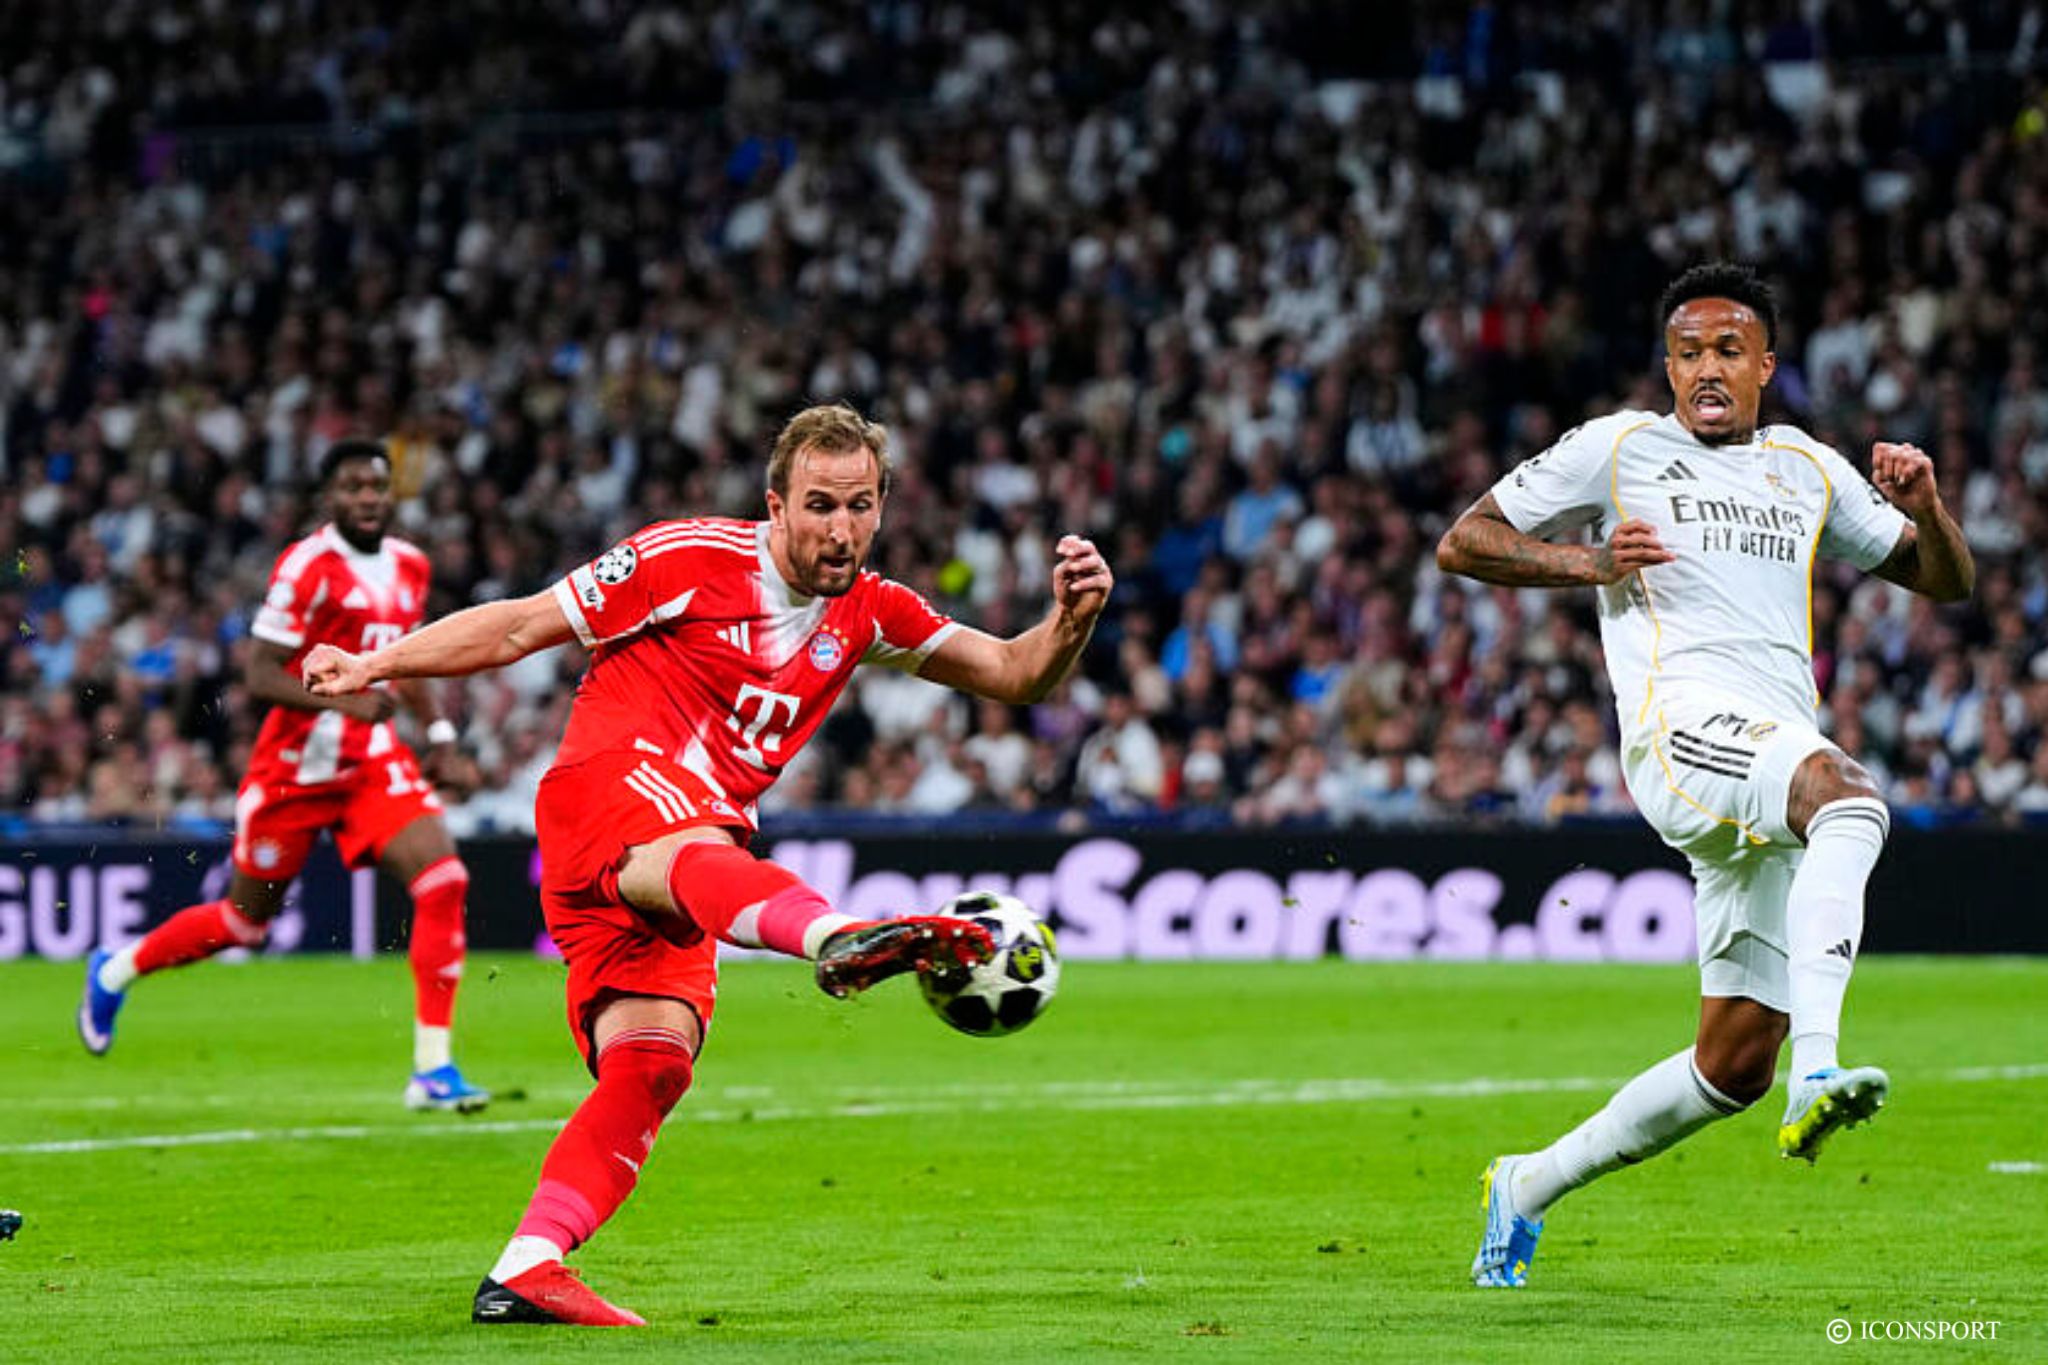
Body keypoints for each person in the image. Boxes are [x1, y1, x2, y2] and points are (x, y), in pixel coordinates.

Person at [301, 403, 1112, 1327]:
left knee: (652, 1063)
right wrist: (375, 664)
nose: (840, 529)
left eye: (859, 506)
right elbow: (521, 627)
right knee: (699, 844)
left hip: (685, 869)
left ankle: (528, 1264)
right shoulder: (684, 557)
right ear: (776, 504)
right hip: (610, 792)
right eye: (819, 505)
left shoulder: (870, 609)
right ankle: (837, 935)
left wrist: (1071, 620)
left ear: (882, 506)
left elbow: (1012, 671)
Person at [1437, 262, 1972, 1288]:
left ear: (1766, 365)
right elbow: (1463, 543)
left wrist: (1929, 508)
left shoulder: (1805, 467)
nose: (1706, 370)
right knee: (1850, 800)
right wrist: (1590, 563)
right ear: (1668, 366)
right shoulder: (1618, 448)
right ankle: (1820, 1069)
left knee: (1729, 1066)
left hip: (1765, 752)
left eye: (1728, 350)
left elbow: (1945, 581)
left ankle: (1525, 1184)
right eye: (1687, 353)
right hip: (1680, 731)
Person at [77, 438, 490, 1113]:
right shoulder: (306, 566)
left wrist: (441, 738)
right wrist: (346, 701)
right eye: (353, 486)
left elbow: (409, 660)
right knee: (244, 925)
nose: (367, 498)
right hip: (294, 768)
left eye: (377, 486)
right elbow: (259, 673)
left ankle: (432, 1069)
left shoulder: (410, 564)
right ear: (330, 497)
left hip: (370, 762)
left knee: (444, 879)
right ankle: (116, 968)